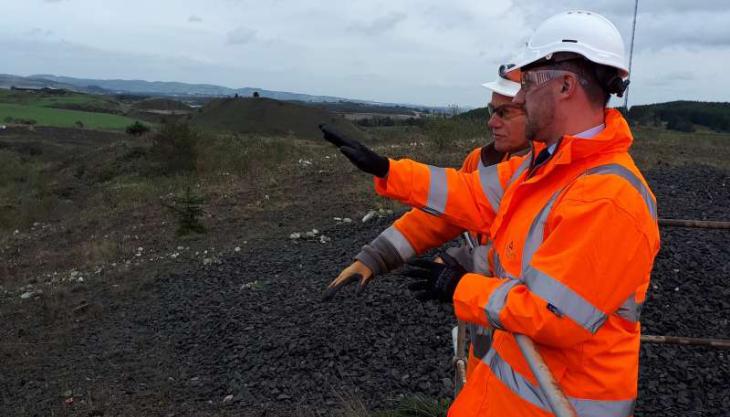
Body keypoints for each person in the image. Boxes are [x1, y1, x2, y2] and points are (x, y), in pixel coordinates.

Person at [320, 10, 660, 417]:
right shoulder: (545, 166)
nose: (517, 98)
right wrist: (388, 171)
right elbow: (470, 193)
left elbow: (551, 315)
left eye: (528, 83)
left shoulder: (608, 197)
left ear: (566, 85)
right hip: (509, 390)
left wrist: (460, 286)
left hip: (558, 404)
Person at [323, 73, 529, 378]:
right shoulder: (482, 162)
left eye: (504, 113)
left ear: (537, 108)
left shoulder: (554, 179)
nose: (491, 122)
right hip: (487, 317)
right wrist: (374, 257)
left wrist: (465, 263)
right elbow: (442, 216)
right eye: (491, 110)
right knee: (484, 379)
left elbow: (530, 264)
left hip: (529, 339)